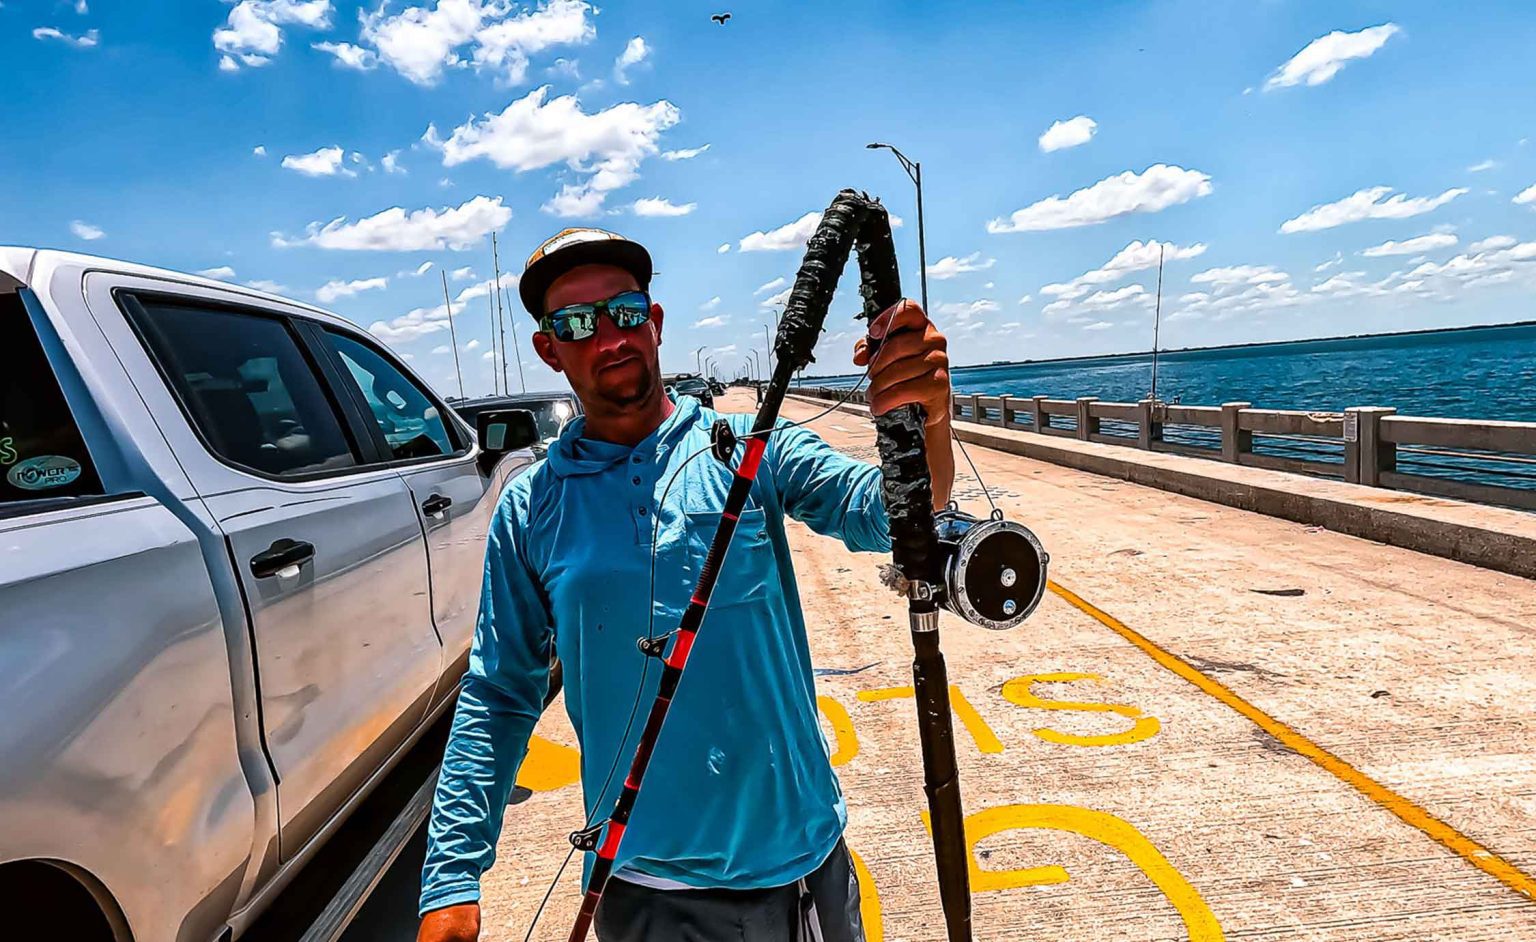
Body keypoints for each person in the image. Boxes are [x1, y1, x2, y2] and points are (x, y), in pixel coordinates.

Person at [417, 227, 955, 942]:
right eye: (578, 324)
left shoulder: (755, 447)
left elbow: (892, 518)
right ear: (549, 348)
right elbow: (498, 693)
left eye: (626, 311)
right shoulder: (531, 506)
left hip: (803, 866)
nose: (609, 336)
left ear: (656, 321)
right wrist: (451, 876)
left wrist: (931, 421)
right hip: (645, 892)